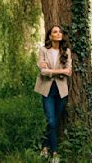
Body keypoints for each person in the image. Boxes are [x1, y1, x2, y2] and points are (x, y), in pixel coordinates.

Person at [34, 25, 72, 162]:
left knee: (54, 122)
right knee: (50, 121)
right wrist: (60, 72)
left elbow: (69, 71)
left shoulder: (66, 51)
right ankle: (55, 153)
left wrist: (52, 71)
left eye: (60, 31)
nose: (58, 33)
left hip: (61, 91)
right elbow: (43, 72)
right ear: (50, 36)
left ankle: (44, 147)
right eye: (55, 32)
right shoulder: (43, 50)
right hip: (47, 90)